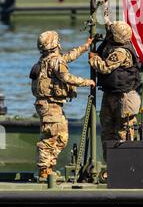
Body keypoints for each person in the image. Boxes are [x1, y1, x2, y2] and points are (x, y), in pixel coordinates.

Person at [30, 30, 95, 179]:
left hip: (51, 105)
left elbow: (67, 58)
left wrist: (85, 47)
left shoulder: (46, 60)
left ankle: (49, 167)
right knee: (50, 138)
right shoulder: (54, 62)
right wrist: (86, 82)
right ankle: (44, 171)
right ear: (55, 44)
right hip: (50, 105)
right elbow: (66, 77)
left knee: (61, 137)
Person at [89, 19, 141, 164]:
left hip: (123, 97)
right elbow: (110, 31)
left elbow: (105, 67)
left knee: (123, 132)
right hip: (111, 94)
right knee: (107, 131)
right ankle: (110, 165)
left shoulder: (121, 52)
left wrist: (93, 59)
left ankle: (124, 165)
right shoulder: (114, 43)